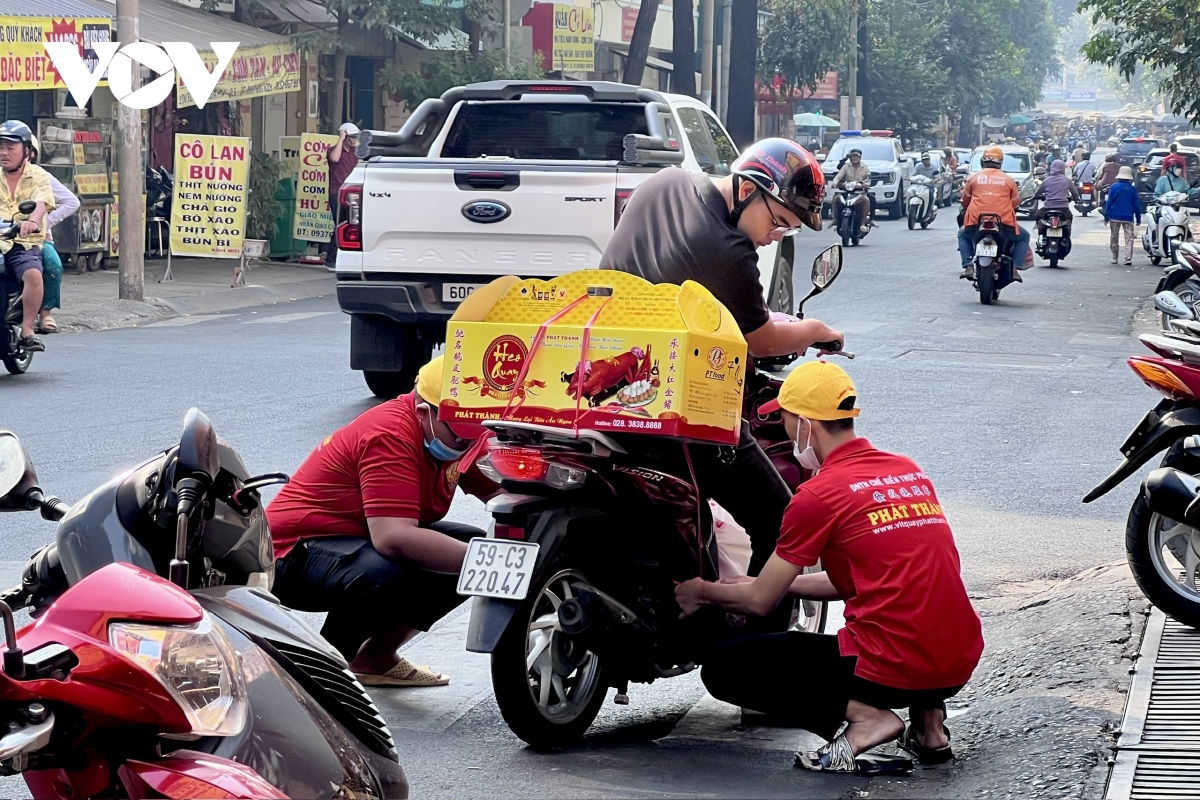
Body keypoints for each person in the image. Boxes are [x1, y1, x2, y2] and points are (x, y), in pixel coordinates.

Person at [677, 360, 983, 773]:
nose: (784, 430)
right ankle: (930, 729)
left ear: (805, 423)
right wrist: (785, 585)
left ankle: (868, 719)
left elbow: (757, 603)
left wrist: (701, 591)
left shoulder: (819, 494)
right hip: (957, 659)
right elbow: (868, 579)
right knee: (914, 606)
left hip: (893, 668)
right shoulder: (906, 470)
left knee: (724, 667)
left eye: (783, 419)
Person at [600, 137, 843, 576]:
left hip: (604, 393)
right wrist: (815, 330)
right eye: (778, 223)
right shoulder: (728, 250)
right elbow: (764, 341)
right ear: (748, 190)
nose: (774, 239)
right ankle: (755, 636)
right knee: (781, 520)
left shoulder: (662, 184)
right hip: (678, 409)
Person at [267, 355, 499, 686]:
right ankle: (321, 673)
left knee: (468, 546)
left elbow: (502, 494)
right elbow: (393, 538)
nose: (467, 444)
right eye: (460, 436)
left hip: (355, 539)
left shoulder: (455, 436)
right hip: (291, 554)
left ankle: (375, 658)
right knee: (387, 572)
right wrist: (494, 563)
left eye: (474, 435)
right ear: (424, 412)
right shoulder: (389, 432)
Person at [0, 120, 53, 353]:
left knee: (33, 275)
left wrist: (32, 221)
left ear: (26, 151)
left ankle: (28, 328)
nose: (4, 152)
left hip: (22, 243)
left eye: (11, 147)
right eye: (1, 147)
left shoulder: (38, 175)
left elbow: (41, 201)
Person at [28, 135, 79, 335]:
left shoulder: (41, 177)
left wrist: (43, 223)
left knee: (52, 265)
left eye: (11, 147)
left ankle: (46, 312)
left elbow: (71, 202)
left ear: (30, 153)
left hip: (36, 239)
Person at [957, 146, 1030, 282]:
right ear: (1000, 162)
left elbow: (965, 200)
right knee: (1024, 237)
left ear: (983, 162)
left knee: (962, 235)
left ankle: (968, 266)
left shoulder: (973, 178)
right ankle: (1015, 269)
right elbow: (1015, 203)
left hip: (976, 221)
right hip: (1003, 223)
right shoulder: (1009, 180)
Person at [325, 122, 360, 268]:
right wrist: (341, 139)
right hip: (336, 192)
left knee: (351, 224)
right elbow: (334, 159)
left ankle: (344, 256)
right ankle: (330, 259)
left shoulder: (354, 153)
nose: (354, 140)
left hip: (351, 193)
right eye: (351, 137)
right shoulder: (334, 150)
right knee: (340, 224)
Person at [1103, 166, 1141, 266]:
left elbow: (1109, 202)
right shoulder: (1133, 189)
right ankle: (1128, 258)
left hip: (1114, 216)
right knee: (1129, 238)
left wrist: (1106, 215)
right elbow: (1136, 205)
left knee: (1114, 237)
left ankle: (1114, 257)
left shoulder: (1114, 187)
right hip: (1128, 217)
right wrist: (1138, 218)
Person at [832, 148, 875, 233]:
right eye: (853, 156)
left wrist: (863, 184)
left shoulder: (865, 167)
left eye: (857, 156)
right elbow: (839, 176)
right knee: (835, 199)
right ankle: (835, 219)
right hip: (847, 190)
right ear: (850, 157)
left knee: (868, 199)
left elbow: (868, 180)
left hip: (860, 192)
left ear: (860, 157)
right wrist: (835, 182)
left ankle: (863, 223)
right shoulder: (846, 166)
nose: (855, 158)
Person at [1033, 160, 1079, 227]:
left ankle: (1040, 233)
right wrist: (1074, 199)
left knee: (1037, 215)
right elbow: (1075, 194)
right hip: (1063, 209)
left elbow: (1037, 193)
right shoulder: (1067, 180)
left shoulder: (1046, 180)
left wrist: (1041, 196)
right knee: (1069, 218)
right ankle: (1067, 235)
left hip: (1048, 208)